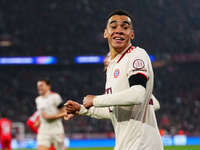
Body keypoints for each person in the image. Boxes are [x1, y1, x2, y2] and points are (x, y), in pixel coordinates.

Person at [65, 9, 163, 150]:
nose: (119, 30)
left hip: (143, 145)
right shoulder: (112, 67)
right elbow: (113, 111)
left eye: (125, 27)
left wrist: (95, 100)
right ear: (106, 33)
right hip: (125, 145)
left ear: (132, 34)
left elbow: (138, 94)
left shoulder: (137, 54)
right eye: (113, 26)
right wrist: (81, 109)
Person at [35, 78, 66, 150]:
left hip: (57, 130)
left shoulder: (55, 97)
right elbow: (41, 114)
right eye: (38, 86)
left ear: (48, 86)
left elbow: (64, 112)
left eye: (41, 85)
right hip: (44, 130)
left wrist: (51, 117)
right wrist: (38, 121)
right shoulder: (38, 99)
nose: (39, 87)